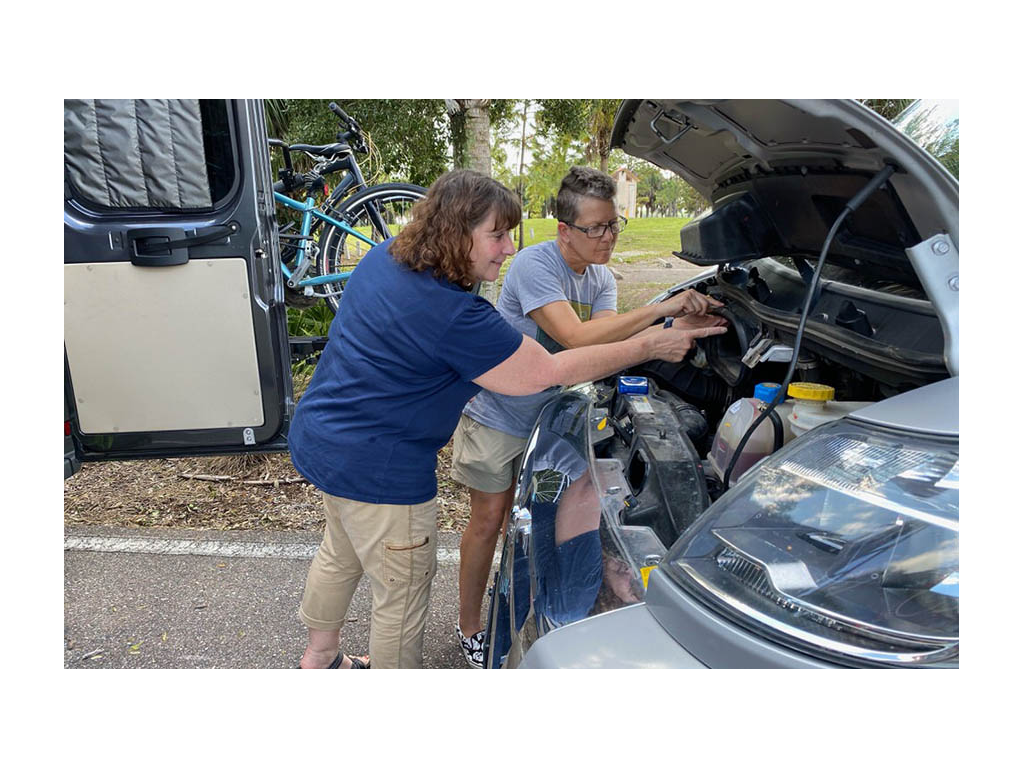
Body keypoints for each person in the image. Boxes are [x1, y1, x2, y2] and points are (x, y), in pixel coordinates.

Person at [287, 169, 727, 669]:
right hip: (381, 469)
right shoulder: (456, 316)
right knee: (402, 591)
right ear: (455, 232)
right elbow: (548, 370)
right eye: (495, 235)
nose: (507, 248)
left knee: (340, 553)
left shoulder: (385, 258)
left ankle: (319, 658)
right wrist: (652, 343)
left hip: (323, 439)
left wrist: (661, 322)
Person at [450, 166, 726, 668]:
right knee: (489, 521)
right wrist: (661, 309)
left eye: (613, 225)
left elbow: (606, 341)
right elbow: (574, 339)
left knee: (538, 525)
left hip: (553, 420)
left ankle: (539, 617)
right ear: (564, 230)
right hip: (500, 416)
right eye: (595, 228)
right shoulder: (535, 265)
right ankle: (471, 627)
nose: (608, 238)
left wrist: (673, 322)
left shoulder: (599, 277)